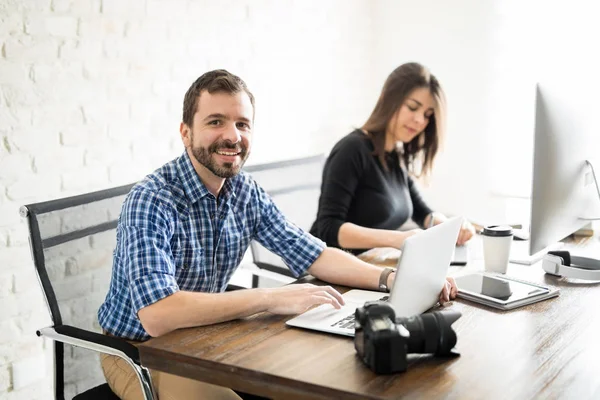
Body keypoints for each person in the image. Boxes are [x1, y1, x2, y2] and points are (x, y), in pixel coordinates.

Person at [97, 69, 458, 400]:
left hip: (206, 338)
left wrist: (389, 278)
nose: (232, 135)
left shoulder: (244, 191)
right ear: (185, 132)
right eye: (216, 122)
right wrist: (269, 299)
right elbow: (158, 315)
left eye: (243, 124)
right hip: (139, 352)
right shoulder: (152, 200)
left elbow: (313, 253)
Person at [310, 62, 475, 255]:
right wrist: (396, 239)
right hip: (332, 269)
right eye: (413, 108)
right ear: (388, 99)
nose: (420, 120)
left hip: (371, 262)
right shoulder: (351, 149)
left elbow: (422, 212)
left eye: (427, 115)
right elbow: (328, 228)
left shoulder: (394, 156)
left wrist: (450, 227)